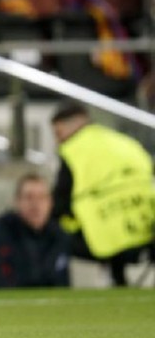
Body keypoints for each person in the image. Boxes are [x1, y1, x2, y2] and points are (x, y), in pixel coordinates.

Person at [51, 101, 154, 286]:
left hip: (103, 235)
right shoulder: (127, 143)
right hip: (147, 229)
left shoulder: (73, 151)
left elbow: (60, 202)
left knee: (53, 230)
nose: (57, 140)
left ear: (74, 124)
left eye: (58, 133)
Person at [0, 173, 71, 287]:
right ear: (17, 201)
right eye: (29, 197)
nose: (35, 204)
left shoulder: (59, 235)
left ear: (50, 203)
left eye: (41, 197)